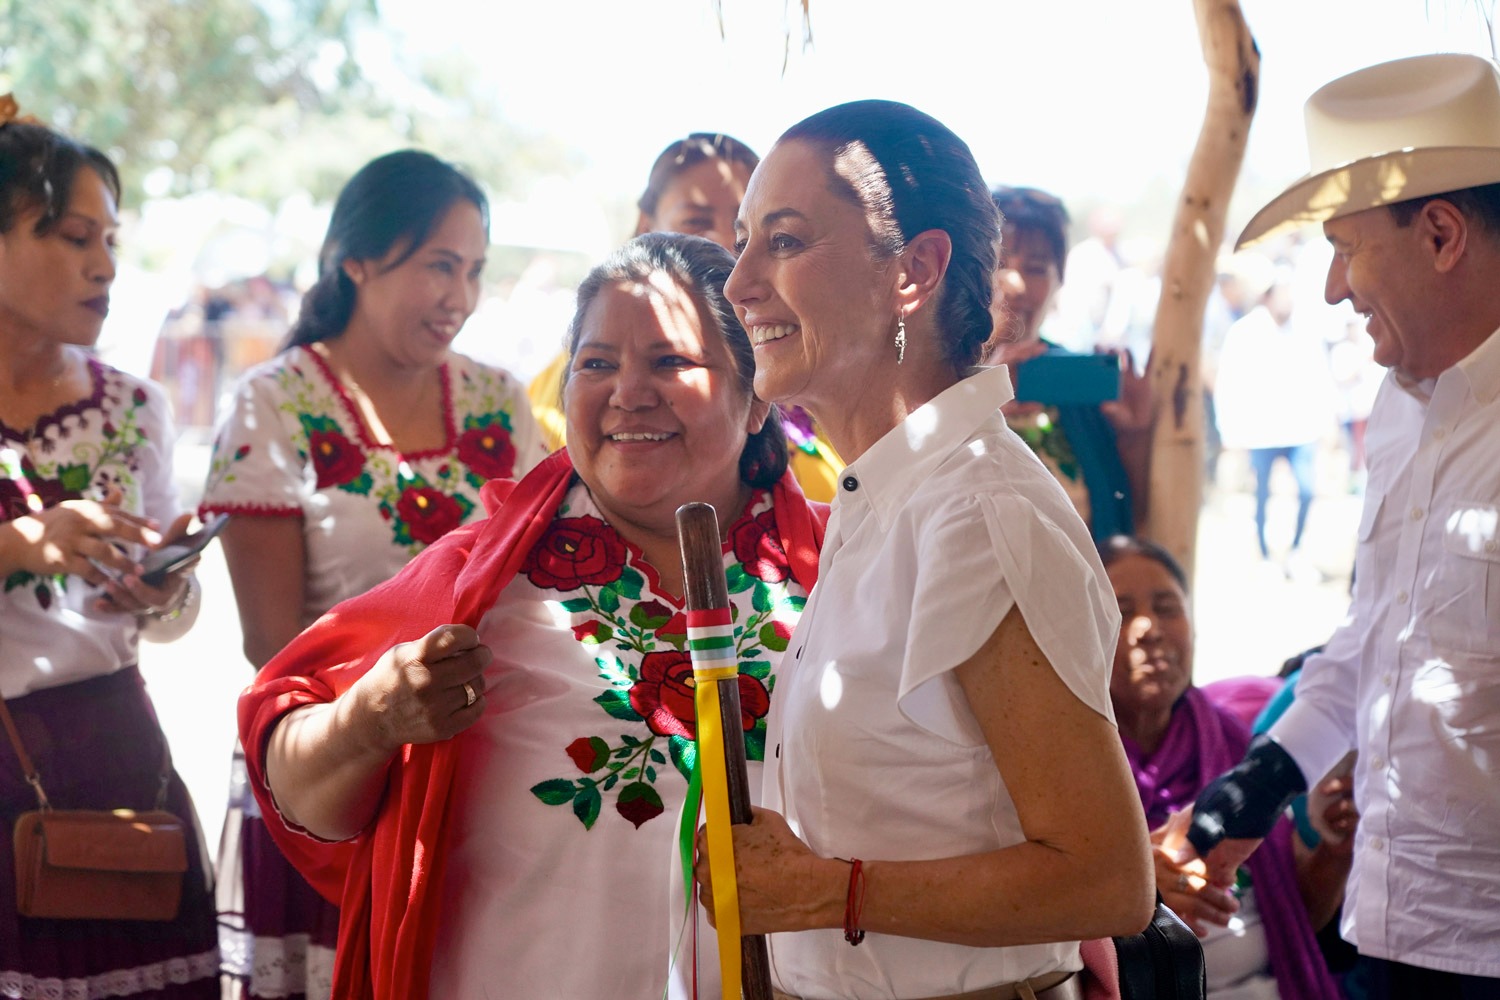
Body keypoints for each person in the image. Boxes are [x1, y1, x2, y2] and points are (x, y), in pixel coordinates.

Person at [235, 232, 827, 998]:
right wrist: (371, 722)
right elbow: (288, 773)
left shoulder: (839, 568)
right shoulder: (480, 583)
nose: (628, 391)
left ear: (757, 401)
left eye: (671, 361)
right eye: (597, 363)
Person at [700, 100, 1154, 1000]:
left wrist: (829, 893)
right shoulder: (888, 496)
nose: (739, 281)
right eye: (745, 242)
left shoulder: (977, 514)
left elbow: (1105, 877)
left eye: (783, 242)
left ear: (915, 269)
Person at [1182, 53, 1500, 997]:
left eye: (1347, 247)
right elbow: (1378, 632)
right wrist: (1262, 784)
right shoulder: (1404, 406)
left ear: (1440, 232)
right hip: (1393, 923)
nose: (1331, 287)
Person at [199, 149, 546, 998]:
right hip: (331, 788)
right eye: (437, 265)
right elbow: (269, 644)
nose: (458, 297)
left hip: (475, 789)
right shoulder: (275, 403)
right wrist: (377, 719)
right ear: (354, 259)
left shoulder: (500, 402)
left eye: (472, 270)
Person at [0, 101, 218, 996]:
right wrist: (29, 546)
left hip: (117, 756)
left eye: (111, 241)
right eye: (71, 236)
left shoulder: (137, 407)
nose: (104, 267)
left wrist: (159, 591)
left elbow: (173, 622)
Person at [1098, 536, 1351, 999]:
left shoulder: (1234, 746)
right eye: (1121, 609)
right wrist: (1138, 899)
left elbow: (1294, 922)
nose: (1148, 628)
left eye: (1166, 607)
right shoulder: (1075, 769)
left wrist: (1335, 851)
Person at [527, 132, 844, 500]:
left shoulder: (807, 370)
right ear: (646, 226)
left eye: (746, 232)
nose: (728, 246)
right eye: (697, 221)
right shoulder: (566, 384)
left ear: (756, 404)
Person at [985, 185, 1153, 541]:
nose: (1015, 285)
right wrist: (979, 405)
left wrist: (1132, 437)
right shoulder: (929, 386)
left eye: (1036, 268)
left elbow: (1124, 522)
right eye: (997, 264)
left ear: (1059, 280)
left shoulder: (1076, 388)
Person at [1212, 258, 1337, 580]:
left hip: (1301, 428)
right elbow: (1229, 381)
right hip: (1261, 430)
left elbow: (1321, 376)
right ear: (1267, 296)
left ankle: (1296, 551)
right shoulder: (1245, 333)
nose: (1287, 300)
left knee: (1308, 490)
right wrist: (1229, 429)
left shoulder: (1306, 329)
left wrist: (1327, 421)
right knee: (1262, 495)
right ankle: (1266, 556)